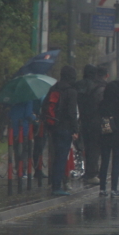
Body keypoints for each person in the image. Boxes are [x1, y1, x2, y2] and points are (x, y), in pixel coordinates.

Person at [42, 65, 79, 196]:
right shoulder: (71, 91)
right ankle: (57, 186)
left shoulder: (54, 88)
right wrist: (75, 129)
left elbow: (45, 106)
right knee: (61, 158)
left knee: (55, 156)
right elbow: (72, 112)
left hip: (53, 127)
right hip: (65, 128)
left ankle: (54, 183)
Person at [97, 79, 119, 197]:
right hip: (118, 136)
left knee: (104, 163)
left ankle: (102, 188)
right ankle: (114, 189)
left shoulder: (102, 103)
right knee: (116, 164)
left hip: (105, 135)